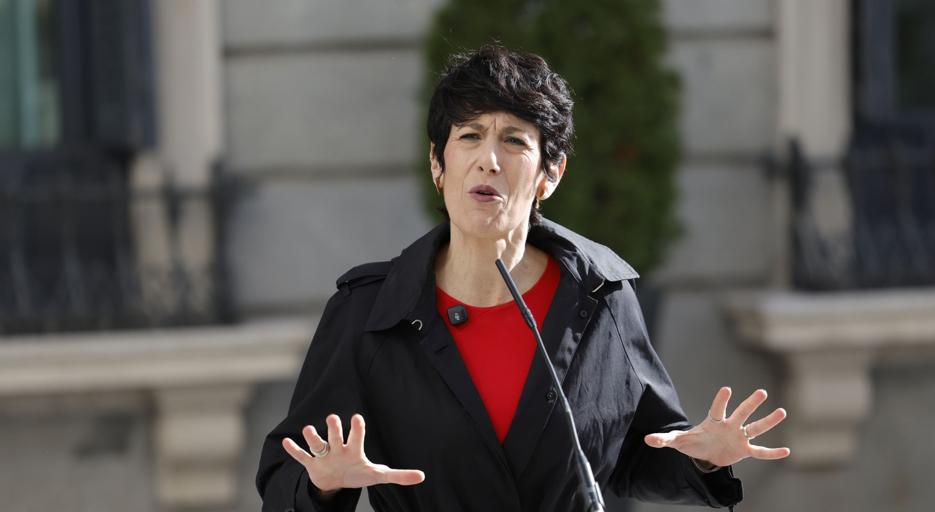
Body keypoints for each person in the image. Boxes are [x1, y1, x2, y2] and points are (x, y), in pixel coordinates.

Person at [256, 44, 789, 512]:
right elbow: (285, 478)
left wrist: (702, 459)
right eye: (469, 136)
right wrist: (321, 484)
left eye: (514, 141)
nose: (488, 160)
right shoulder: (370, 313)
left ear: (549, 175)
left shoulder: (599, 295)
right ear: (438, 164)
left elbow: (637, 454)